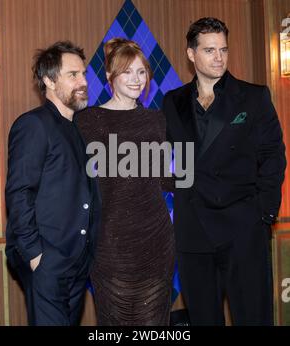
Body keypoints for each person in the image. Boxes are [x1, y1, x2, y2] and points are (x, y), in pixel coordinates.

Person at [162, 17, 286, 326]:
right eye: (209, 50)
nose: (219, 57)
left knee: (253, 318)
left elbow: (273, 156)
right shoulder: (172, 101)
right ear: (191, 54)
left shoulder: (254, 97)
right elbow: (161, 157)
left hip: (243, 228)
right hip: (193, 233)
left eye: (223, 49)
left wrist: (264, 214)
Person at [75, 38, 175, 326]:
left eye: (141, 72)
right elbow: (77, 183)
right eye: (127, 72)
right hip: (109, 247)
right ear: (109, 76)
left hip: (156, 244)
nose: (136, 79)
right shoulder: (87, 122)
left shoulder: (157, 120)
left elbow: (165, 179)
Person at [5, 41, 101, 326]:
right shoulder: (33, 124)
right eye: (73, 75)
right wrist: (36, 255)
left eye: (83, 74)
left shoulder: (80, 129)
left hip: (77, 260)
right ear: (48, 80)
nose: (83, 81)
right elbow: (19, 192)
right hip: (47, 260)